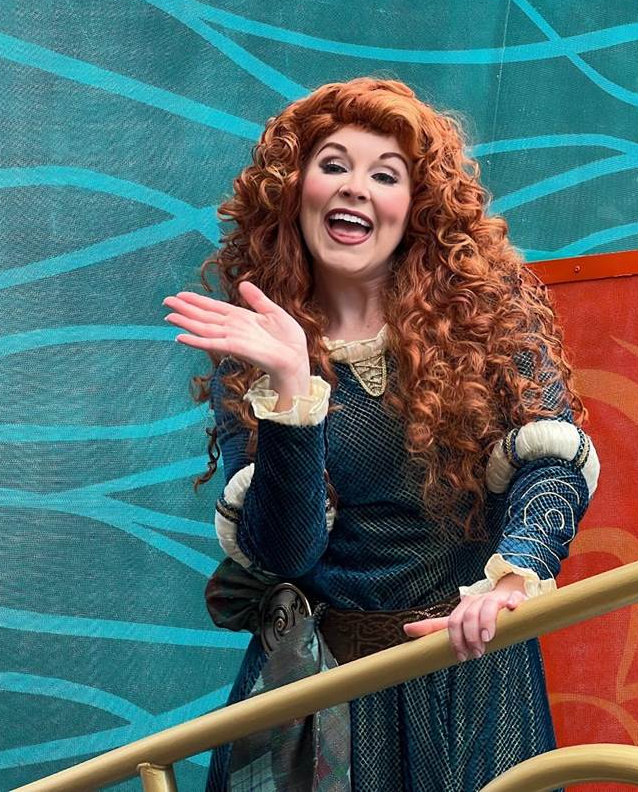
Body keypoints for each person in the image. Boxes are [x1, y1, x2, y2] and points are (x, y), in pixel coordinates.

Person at [163, 78, 600, 791]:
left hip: (470, 674)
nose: (355, 187)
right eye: (333, 165)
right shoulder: (253, 359)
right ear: (293, 191)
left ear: (416, 204)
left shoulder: (489, 315)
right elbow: (287, 551)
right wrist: (291, 383)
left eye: (385, 174)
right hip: (328, 694)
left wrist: (514, 577)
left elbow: (549, 462)